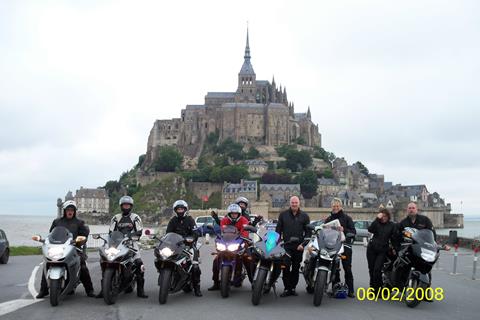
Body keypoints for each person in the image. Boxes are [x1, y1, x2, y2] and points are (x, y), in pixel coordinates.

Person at [36, 200, 95, 298]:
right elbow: (51, 234)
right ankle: (44, 290)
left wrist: (80, 240)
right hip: (59, 248)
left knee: (82, 265)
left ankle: (89, 290)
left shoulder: (79, 223)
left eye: (72, 209)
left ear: (75, 211)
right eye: (68, 209)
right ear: (64, 210)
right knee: (47, 263)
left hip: (74, 248)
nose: (70, 211)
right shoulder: (57, 222)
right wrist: (46, 241)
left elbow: (84, 235)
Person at [96, 196, 148, 298]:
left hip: (131, 243)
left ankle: (140, 291)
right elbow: (111, 232)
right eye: (124, 205)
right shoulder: (116, 218)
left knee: (139, 264)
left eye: (128, 205)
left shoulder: (135, 217)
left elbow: (139, 231)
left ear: (131, 206)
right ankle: (104, 289)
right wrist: (108, 240)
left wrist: (131, 236)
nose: (126, 207)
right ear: (121, 206)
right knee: (105, 261)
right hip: (117, 243)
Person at [208, 203, 250, 291]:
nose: (234, 215)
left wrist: (244, 239)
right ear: (229, 214)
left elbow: (245, 233)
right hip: (227, 244)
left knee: (248, 259)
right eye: (232, 213)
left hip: (240, 243)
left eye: (236, 213)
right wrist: (217, 238)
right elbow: (221, 232)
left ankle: (253, 281)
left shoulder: (244, 220)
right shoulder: (224, 220)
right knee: (216, 260)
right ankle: (216, 283)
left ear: (239, 214)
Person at [275, 196, 310, 297]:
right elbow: (278, 230)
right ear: (290, 203)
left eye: (296, 202)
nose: (294, 204)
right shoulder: (283, 215)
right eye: (292, 202)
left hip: (298, 246)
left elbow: (308, 233)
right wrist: (278, 242)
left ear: (299, 203)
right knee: (285, 267)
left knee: (295, 268)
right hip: (286, 246)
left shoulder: (305, 216)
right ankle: (287, 288)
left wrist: (303, 245)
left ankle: (293, 288)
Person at [166, 200, 202, 297]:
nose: (180, 210)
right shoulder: (173, 220)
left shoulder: (190, 219)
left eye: (182, 209)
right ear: (175, 210)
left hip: (188, 245)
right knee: (166, 258)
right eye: (178, 209)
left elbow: (195, 232)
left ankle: (197, 288)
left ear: (185, 209)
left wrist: (192, 238)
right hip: (176, 245)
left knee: (195, 267)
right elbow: (168, 233)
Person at [324, 198, 356, 298]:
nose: (336, 208)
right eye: (334, 206)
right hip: (332, 246)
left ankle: (350, 290)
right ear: (331, 207)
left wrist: (344, 229)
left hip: (345, 245)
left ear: (341, 207)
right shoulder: (328, 219)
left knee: (347, 268)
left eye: (337, 206)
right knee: (334, 268)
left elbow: (353, 232)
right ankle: (335, 288)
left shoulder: (347, 218)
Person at [366, 208, 397, 292]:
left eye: (385, 216)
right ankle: (372, 288)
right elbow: (370, 229)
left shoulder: (392, 225)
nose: (383, 218)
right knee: (371, 269)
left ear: (388, 217)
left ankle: (378, 289)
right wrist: (376, 219)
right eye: (382, 216)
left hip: (383, 250)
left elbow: (394, 238)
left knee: (377, 270)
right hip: (372, 249)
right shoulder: (377, 223)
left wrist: (394, 248)